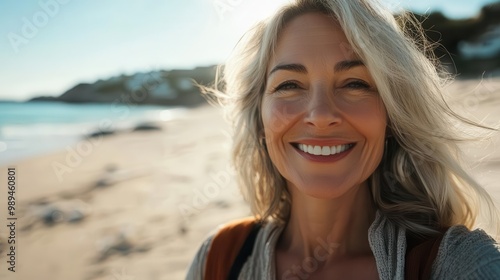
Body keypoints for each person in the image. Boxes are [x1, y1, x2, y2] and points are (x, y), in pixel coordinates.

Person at [187, 0, 500, 279]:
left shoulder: (458, 263)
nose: (321, 115)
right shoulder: (219, 257)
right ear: (259, 118)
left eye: (354, 83)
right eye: (290, 85)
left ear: (391, 116)